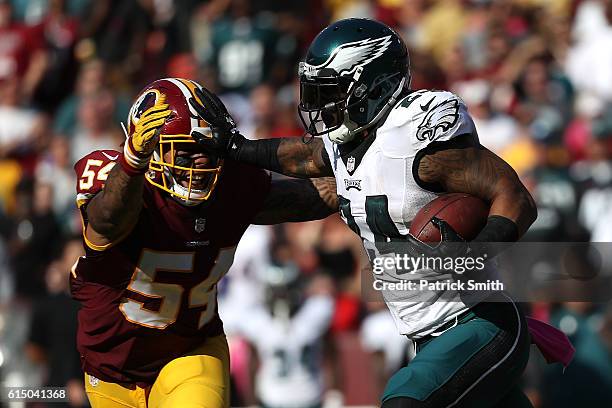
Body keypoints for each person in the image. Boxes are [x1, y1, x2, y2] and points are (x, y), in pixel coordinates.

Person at [190, 18, 543, 408]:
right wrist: (234, 152)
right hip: (430, 337)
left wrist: (475, 252)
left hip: (480, 321)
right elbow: (305, 164)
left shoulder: (415, 140)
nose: (318, 104)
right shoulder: (352, 149)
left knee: (403, 401)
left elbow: (515, 197)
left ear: (371, 87)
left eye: (331, 91)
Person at [71, 77, 338, 408]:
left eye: (208, 151)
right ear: (146, 148)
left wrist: (369, 170)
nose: (200, 162)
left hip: (190, 349)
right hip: (110, 368)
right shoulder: (118, 181)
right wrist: (131, 164)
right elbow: (107, 221)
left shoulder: (231, 186)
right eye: (185, 150)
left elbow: (316, 195)